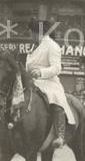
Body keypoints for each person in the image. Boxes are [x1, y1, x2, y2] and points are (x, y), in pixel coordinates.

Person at [26, 18, 75, 149]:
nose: (30, 36)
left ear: (38, 33)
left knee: (55, 99)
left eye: (31, 33)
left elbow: (57, 68)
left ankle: (60, 135)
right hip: (32, 81)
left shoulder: (53, 46)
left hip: (48, 82)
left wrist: (40, 72)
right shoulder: (33, 47)